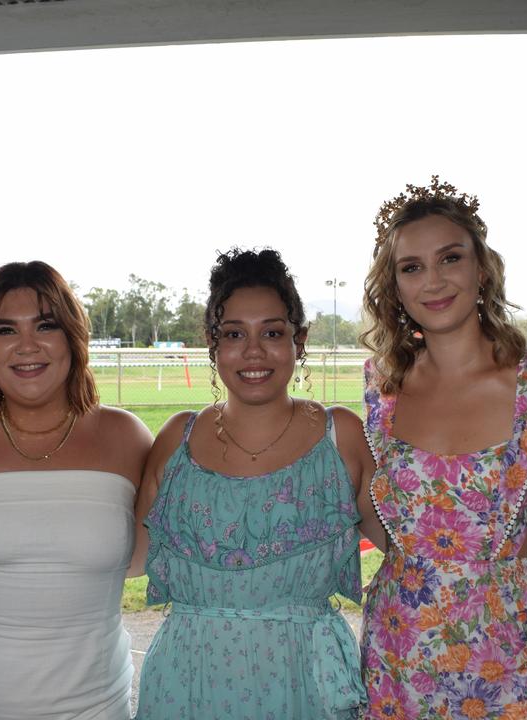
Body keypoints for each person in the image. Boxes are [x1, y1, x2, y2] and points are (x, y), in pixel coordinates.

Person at [357, 177, 527, 719]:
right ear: (394, 287)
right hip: (394, 654)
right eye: (411, 267)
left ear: (481, 269)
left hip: (499, 660)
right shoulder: (382, 389)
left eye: (450, 258)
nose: (432, 281)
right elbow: (377, 519)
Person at [131, 248, 377, 719]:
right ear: (212, 343)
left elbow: (411, 547)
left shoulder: (340, 436)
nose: (254, 351)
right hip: (186, 684)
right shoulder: (174, 442)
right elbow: (130, 561)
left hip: (303, 683)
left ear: (299, 340)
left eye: (272, 332)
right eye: (234, 334)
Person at [0, 260, 152, 719]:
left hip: (96, 708)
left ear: (73, 339)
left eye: (46, 325)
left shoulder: (128, 439)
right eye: (5, 330)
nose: (27, 345)